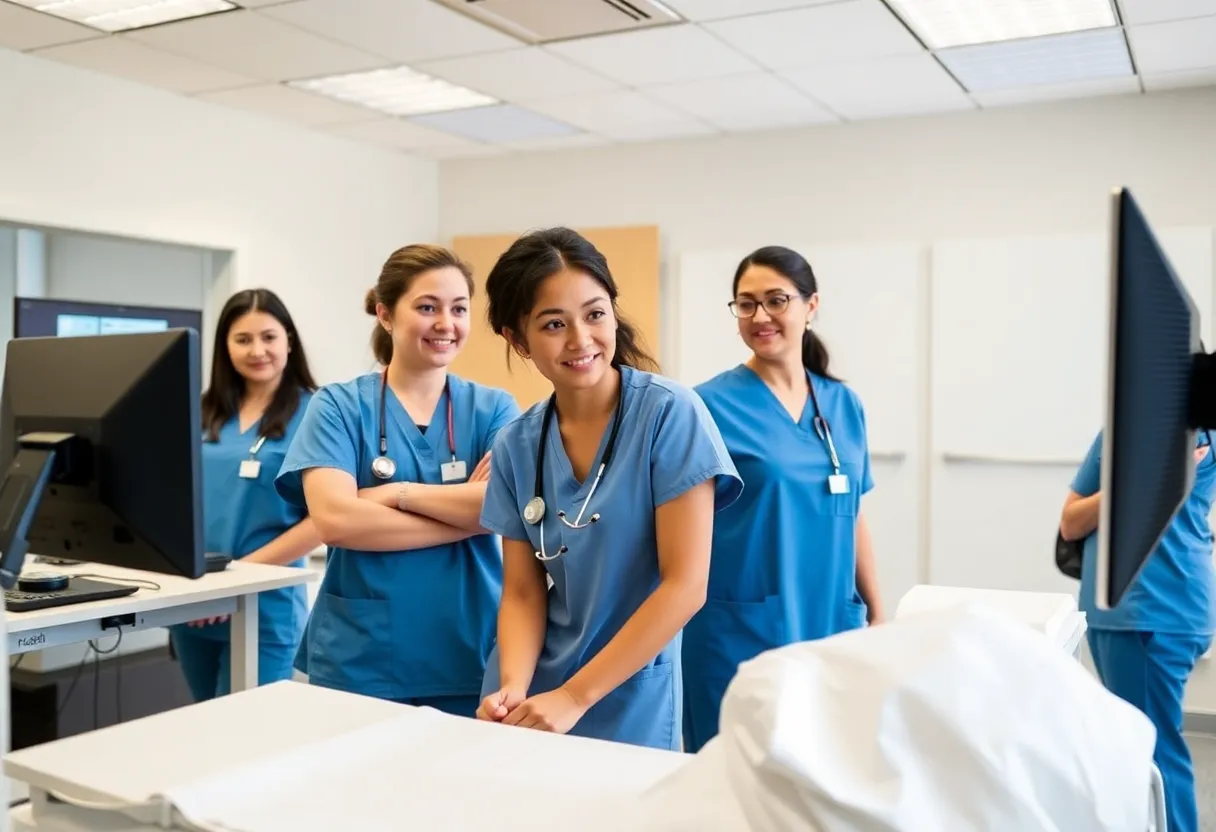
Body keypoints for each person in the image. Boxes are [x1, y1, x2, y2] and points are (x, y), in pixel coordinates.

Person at [473, 227, 742, 750]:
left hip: (627, 691)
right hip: (533, 695)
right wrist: (512, 687)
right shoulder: (516, 444)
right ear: (518, 339)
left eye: (595, 314)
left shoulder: (669, 415)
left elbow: (685, 586)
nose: (581, 339)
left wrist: (574, 697)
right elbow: (524, 592)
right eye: (554, 324)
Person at [275, 244, 520, 717]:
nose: (446, 324)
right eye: (427, 307)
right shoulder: (338, 407)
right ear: (386, 315)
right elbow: (335, 521)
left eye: (459, 309)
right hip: (362, 657)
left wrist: (394, 493)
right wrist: (468, 516)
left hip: (467, 648)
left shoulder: (495, 409)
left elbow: (500, 505)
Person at [681, 245, 884, 753]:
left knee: (826, 772)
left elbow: (853, 511)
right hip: (740, 632)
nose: (760, 316)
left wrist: (878, 612)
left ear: (811, 306)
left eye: (776, 300)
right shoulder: (707, 405)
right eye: (745, 304)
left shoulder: (842, 403)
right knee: (736, 782)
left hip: (832, 625)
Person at [169, 288, 322, 701]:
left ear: (288, 339)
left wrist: (237, 582)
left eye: (269, 337)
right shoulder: (201, 411)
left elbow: (324, 521)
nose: (258, 350)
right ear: (224, 347)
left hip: (262, 602)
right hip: (195, 600)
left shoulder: (317, 414)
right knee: (203, 721)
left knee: (244, 738)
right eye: (243, 339)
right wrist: (202, 587)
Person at [1060, 429, 1216, 832]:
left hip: (1152, 611)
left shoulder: (1198, 431)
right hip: (1127, 613)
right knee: (1138, 752)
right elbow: (1071, 523)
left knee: (1153, 753)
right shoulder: (1118, 429)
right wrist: (1134, 486)